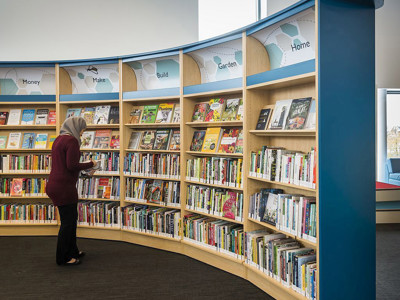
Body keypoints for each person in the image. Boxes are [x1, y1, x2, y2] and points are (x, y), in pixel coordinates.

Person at [46, 116, 97, 266]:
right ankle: (62, 258)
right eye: (82, 130)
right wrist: (91, 163)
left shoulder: (59, 139)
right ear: (76, 127)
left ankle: (73, 251)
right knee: (68, 223)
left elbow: (64, 165)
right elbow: (71, 165)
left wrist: (83, 171)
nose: (81, 134)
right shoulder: (72, 141)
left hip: (55, 184)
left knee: (71, 220)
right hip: (64, 187)